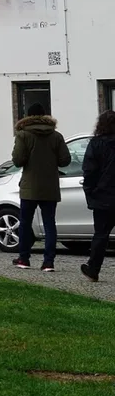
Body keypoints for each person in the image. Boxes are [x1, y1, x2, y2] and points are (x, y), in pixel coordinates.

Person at [12, 102, 71, 271]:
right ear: (45, 116)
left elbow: (17, 160)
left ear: (28, 117)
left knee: (25, 222)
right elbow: (65, 160)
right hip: (50, 186)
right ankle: (48, 262)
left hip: (29, 186)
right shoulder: (56, 136)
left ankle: (24, 258)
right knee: (49, 223)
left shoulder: (23, 135)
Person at [80, 110, 115, 283]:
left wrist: (90, 190)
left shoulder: (96, 144)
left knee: (101, 235)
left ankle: (93, 269)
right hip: (105, 192)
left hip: (103, 196)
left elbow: (89, 170)